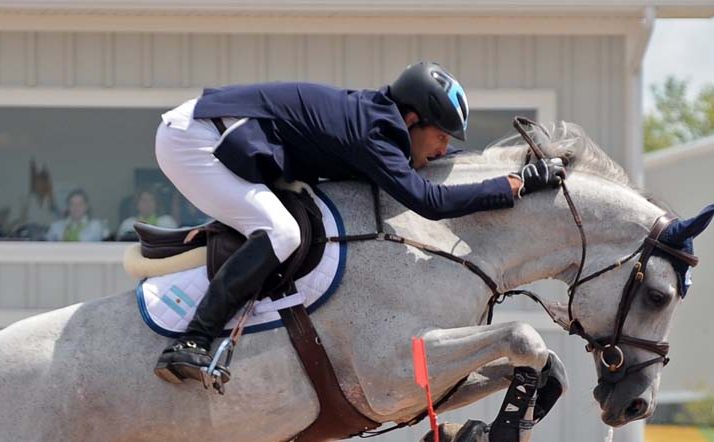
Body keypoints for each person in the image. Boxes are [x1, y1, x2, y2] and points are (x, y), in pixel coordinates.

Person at [151, 61, 566, 384]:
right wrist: (515, 185)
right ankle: (192, 339)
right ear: (410, 120)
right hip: (195, 142)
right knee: (282, 232)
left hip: (217, 135)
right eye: (441, 135)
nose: (443, 149)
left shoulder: (380, 123)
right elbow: (430, 201)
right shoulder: (374, 132)